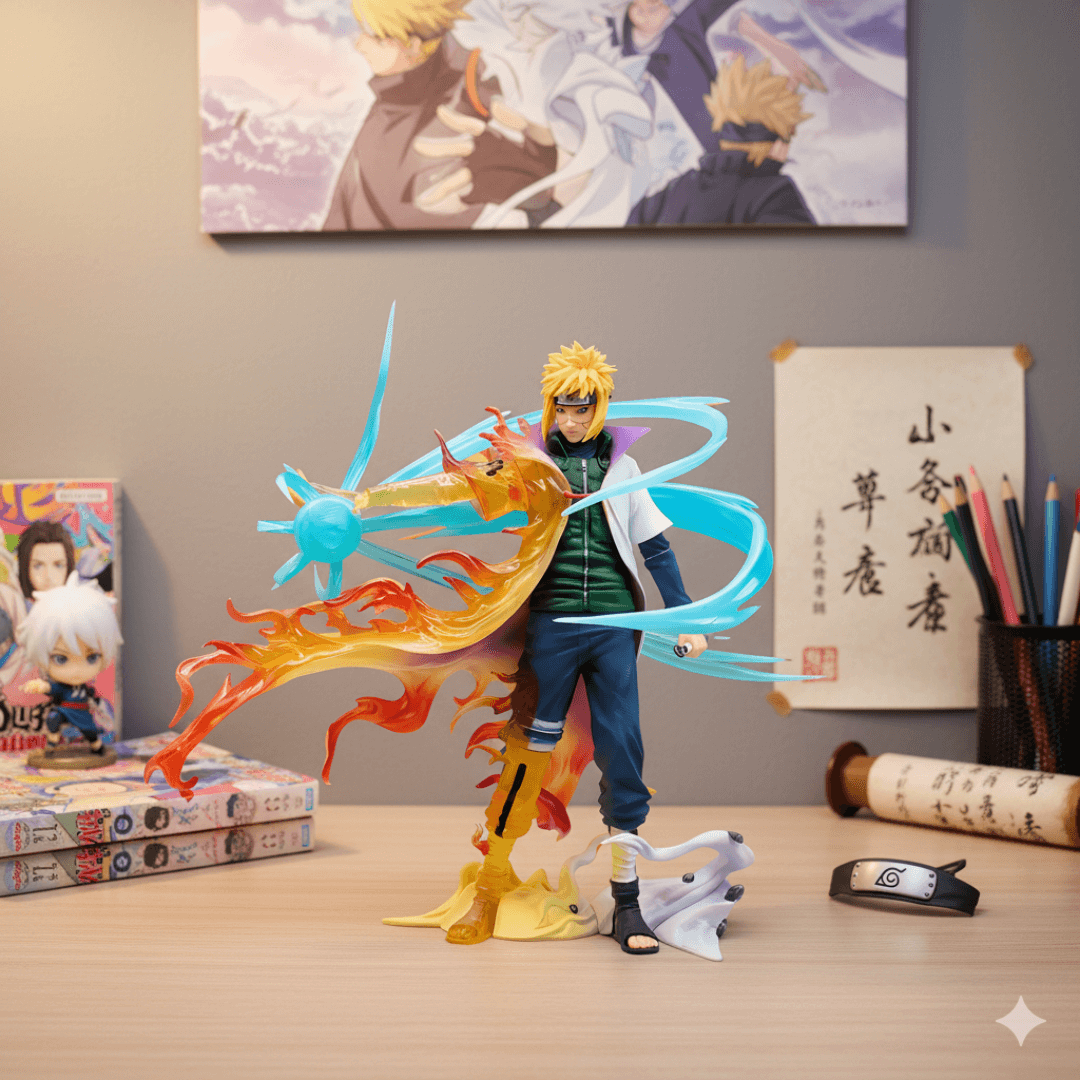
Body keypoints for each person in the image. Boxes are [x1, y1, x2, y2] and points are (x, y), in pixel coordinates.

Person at [446, 343, 708, 954]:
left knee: (624, 751)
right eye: (562, 409)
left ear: (600, 408)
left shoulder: (625, 469)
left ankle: (626, 899)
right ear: (550, 408)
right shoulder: (533, 463)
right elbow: (476, 497)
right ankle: (490, 884)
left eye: (582, 409)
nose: (571, 419)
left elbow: (656, 548)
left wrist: (686, 619)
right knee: (526, 753)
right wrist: (486, 472)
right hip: (552, 627)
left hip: (614, 626)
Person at [323, 0, 558, 230]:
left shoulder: (472, 92)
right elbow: (344, 205)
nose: (360, 45)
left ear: (413, 46)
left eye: (376, 38)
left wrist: (525, 174)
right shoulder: (389, 102)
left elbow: (540, 189)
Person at [18, 574, 122, 756]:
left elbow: (92, 695)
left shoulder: (84, 688)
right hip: (64, 709)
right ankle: (52, 742)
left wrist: (97, 702)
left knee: (90, 731)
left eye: (92, 657)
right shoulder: (61, 687)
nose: (76, 671)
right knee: (53, 717)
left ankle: (97, 746)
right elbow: (52, 688)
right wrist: (41, 685)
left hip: (82, 712)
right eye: (61, 658)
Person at [16, 521, 75, 600]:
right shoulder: (12, 604)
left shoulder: (84, 604)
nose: (49, 576)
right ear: (25, 568)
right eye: (38, 566)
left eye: (58, 565)